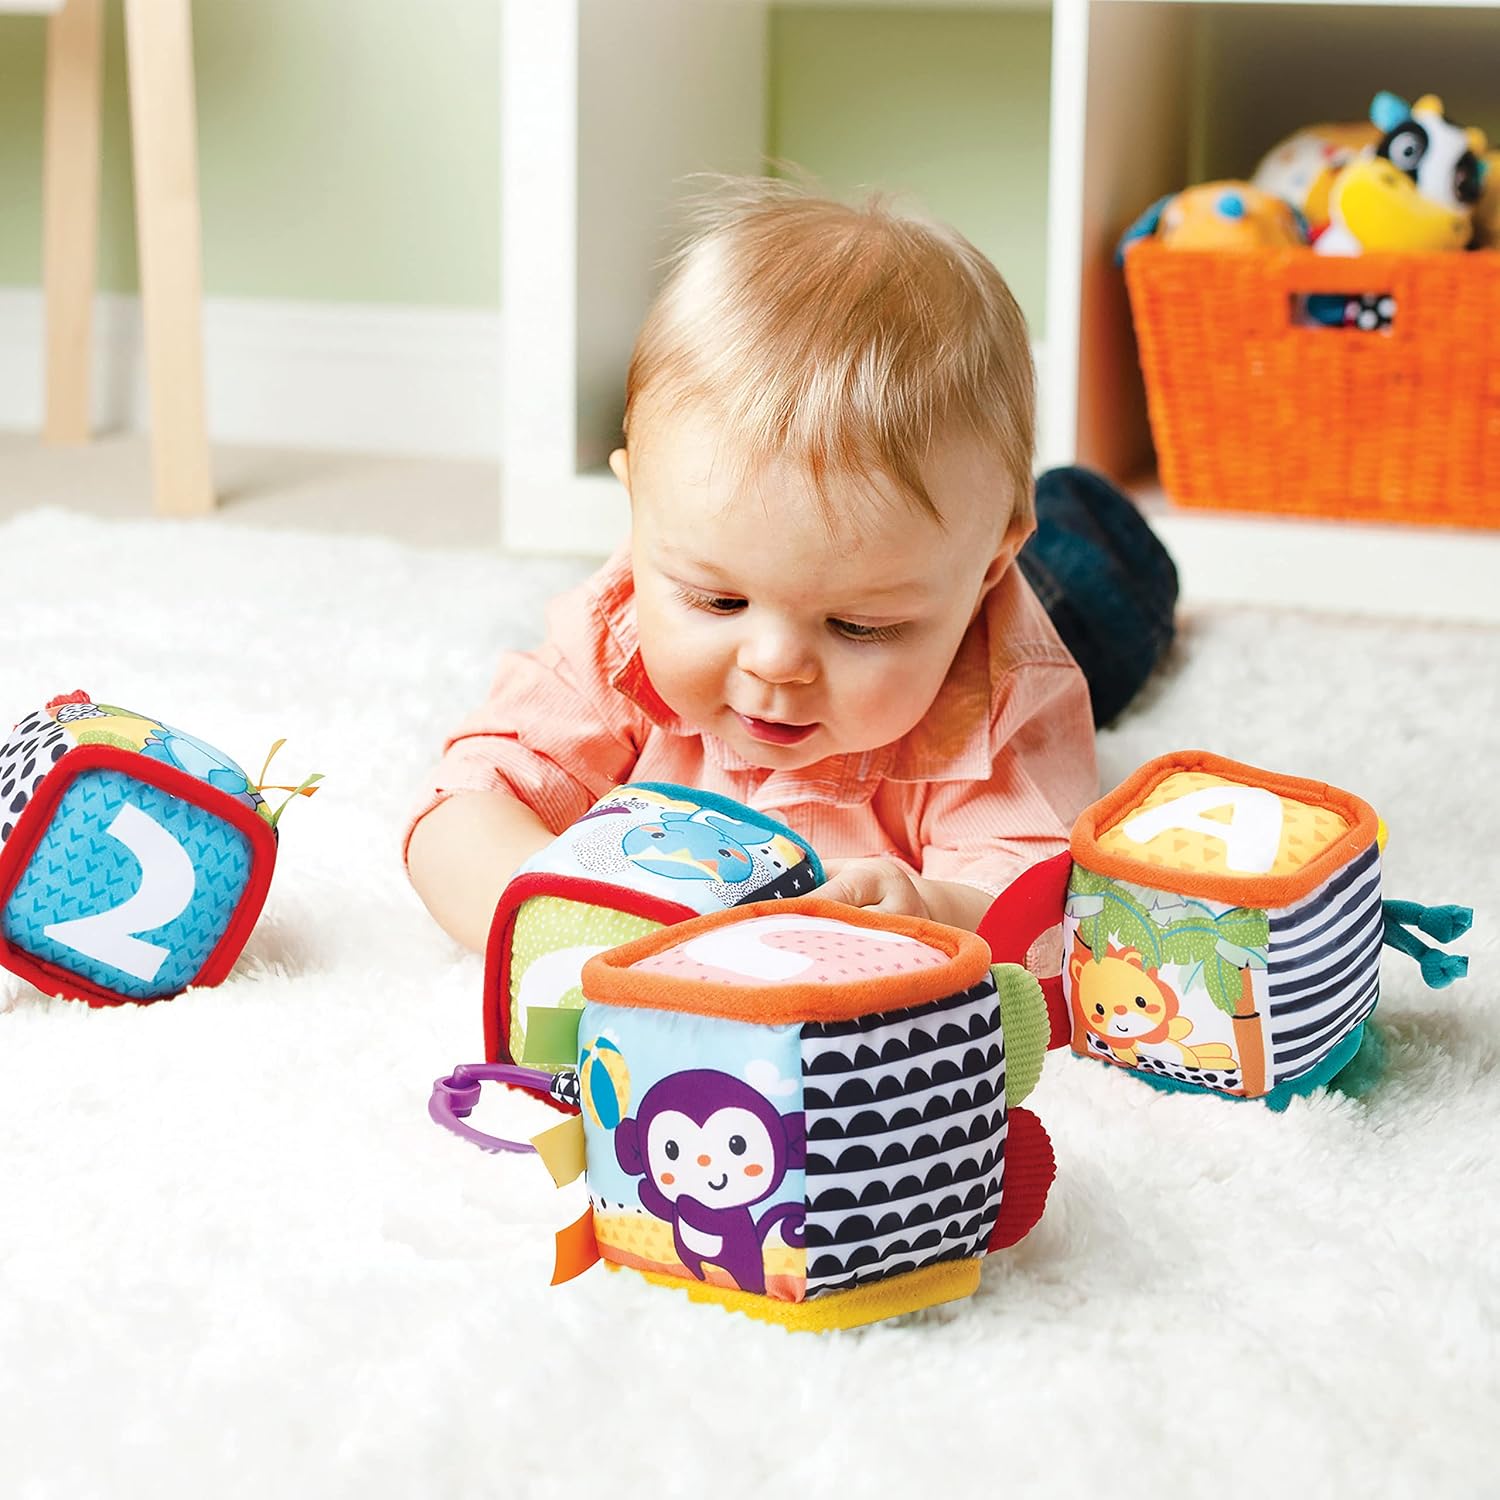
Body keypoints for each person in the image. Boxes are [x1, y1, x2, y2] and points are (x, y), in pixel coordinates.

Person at [406, 181, 1174, 953]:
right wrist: (565, 928)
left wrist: (934, 912)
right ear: (637, 507)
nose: (775, 664)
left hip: (1051, 601)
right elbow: (467, 800)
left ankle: (1076, 515)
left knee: (1092, 588)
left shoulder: (1007, 693)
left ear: (985, 573)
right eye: (717, 601)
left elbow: (1037, 916)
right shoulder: (619, 626)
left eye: (859, 626)